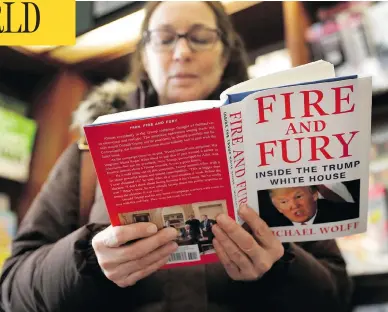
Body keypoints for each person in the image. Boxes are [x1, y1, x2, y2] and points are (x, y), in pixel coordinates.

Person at [0, 2, 353, 312]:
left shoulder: (277, 148)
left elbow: (336, 294)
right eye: (165, 38)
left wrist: (281, 266)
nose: (182, 52)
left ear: (225, 52)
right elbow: (13, 290)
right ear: (145, 55)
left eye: (200, 37)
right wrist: (89, 259)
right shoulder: (87, 153)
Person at [266, 185, 359, 227]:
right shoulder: (269, 225)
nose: (294, 206)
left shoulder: (345, 213)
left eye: (298, 196)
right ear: (278, 208)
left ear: (314, 195)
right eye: (284, 202)